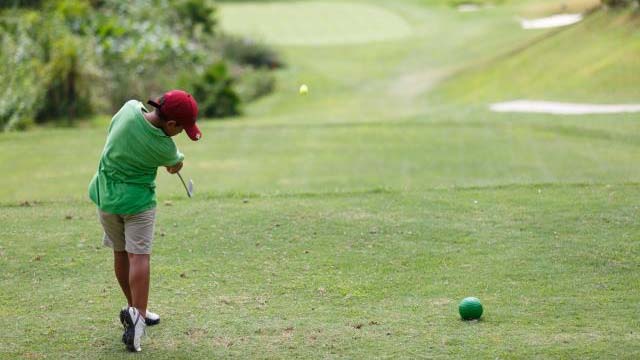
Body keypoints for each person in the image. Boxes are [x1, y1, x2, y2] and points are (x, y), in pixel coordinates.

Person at [88, 90, 201, 352]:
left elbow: (117, 134)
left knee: (120, 253)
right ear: (171, 124)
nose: (181, 133)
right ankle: (137, 317)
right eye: (181, 129)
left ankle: (135, 309)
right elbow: (174, 163)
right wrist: (175, 165)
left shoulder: (128, 109)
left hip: (105, 197)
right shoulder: (164, 146)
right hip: (136, 204)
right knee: (139, 257)